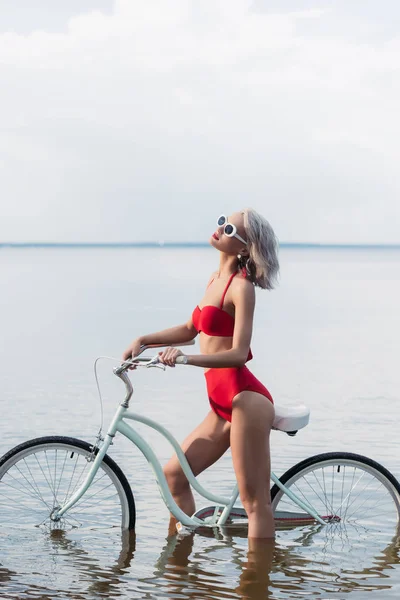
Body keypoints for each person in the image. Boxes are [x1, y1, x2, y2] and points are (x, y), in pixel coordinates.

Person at [122, 209, 280, 539]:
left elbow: (238, 354)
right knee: (174, 477)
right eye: (223, 220)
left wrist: (187, 360)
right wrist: (144, 340)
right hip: (221, 405)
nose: (221, 228)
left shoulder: (241, 289)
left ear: (244, 247)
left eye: (231, 227)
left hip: (245, 401)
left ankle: (253, 586)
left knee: (255, 504)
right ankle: (181, 566)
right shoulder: (214, 280)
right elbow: (191, 328)